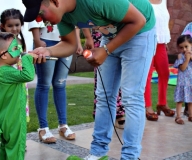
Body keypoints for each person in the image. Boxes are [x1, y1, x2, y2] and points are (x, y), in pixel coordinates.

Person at [22, 0, 156, 159]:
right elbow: (69, 44)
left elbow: (138, 20)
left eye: (41, 14)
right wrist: (48, 50)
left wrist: (106, 50)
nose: (41, 21)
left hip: (139, 31)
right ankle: (98, 153)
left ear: (54, 1)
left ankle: (130, 156)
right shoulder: (64, 15)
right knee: (104, 96)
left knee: (131, 97)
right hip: (111, 34)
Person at [0, 32, 36, 160]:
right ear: (4, 54)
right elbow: (28, 75)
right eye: (15, 48)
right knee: (16, 149)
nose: (19, 51)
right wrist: (27, 58)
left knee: (5, 147)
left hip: (3, 119)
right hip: (14, 120)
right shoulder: (7, 72)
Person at [28, 20, 75, 143]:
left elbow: (73, 17)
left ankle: (63, 125)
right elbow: (35, 15)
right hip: (45, 41)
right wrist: (37, 40)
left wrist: (77, 42)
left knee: (60, 84)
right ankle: (43, 128)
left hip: (67, 42)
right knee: (44, 84)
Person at [0, 8, 31, 123]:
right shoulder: (1, 43)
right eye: (10, 26)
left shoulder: (21, 42)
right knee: (6, 111)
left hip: (19, 80)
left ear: (21, 24)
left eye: (17, 25)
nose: (14, 28)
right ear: (3, 26)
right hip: (5, 81)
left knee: (17, 110)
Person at [144, 0, 175, 121]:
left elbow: (163, 22)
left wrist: (165, 40)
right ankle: (148, 106)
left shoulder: (164, 1)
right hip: (148, 41)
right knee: (148, 74)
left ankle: (162, 103)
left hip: (161, 43)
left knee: (164, 73)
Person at [173, 34, 192, 125]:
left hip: (190, 82)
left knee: (190, 100)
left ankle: (191, 116)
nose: (184, 49)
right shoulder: (180, 57)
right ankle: (178, 117)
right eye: (181, 47)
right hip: (182, 83)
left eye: (186, 46)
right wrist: (187, 60)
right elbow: (183, 68)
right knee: (180, 100)